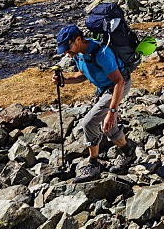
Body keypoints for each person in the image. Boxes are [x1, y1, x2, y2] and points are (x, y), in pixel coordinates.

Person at [53, 25, 135, 181]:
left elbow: (119, 82)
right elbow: (83, 74)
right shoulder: (78, 53)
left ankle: (93, 164)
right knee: (108, 127)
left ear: (78, 39)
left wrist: (112, 111)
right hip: (104, 88)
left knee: (89, 123)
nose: (65, 52)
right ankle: (128, 152)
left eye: (67, 48)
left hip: (116, 86)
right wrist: (64, 80)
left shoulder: (101, 53)